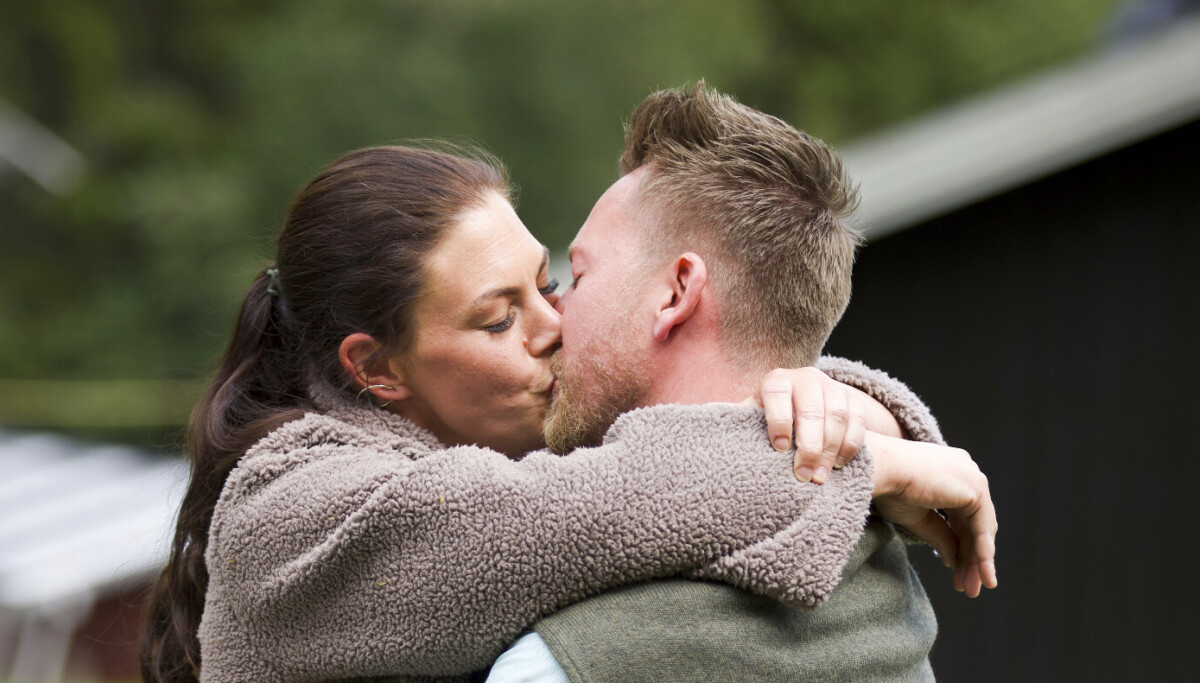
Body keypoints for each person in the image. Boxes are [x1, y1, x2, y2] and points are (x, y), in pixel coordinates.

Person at [139, 144, 995, 682]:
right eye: (498, 318)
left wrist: (849, 405)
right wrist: (869, 460)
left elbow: (647, 453)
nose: (554, 326)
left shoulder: (493, 440)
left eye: (549, 282)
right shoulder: (290, 508)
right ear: (375, 368)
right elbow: (610, 500)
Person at [488, 84, 997, 681]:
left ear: (677, 293)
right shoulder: (889, 600)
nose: (556, 316)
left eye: (577, 276)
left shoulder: (561, 665)